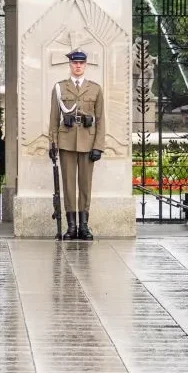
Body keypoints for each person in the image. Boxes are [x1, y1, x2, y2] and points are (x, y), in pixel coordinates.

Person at [47, 49, 104, 241]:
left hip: (88, 142)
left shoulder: (95, 88)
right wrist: (52, 143)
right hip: (66, 142)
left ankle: (84, 226)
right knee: (69, 185)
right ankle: (71, 227)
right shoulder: (59, 88)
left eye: (81, 63)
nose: (77, 66)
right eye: (74, 63)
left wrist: (98, 146)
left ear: (85, 65)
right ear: (70, 65)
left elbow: (101, 120)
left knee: (85, 185)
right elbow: (54, 118)